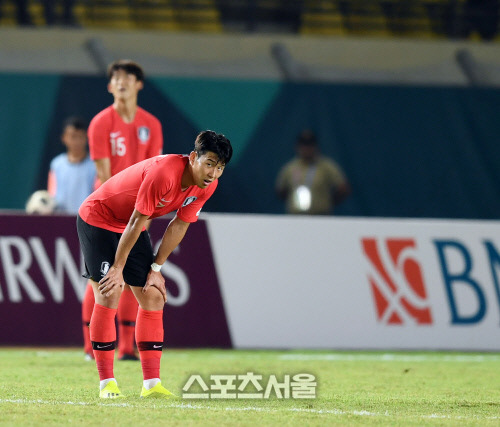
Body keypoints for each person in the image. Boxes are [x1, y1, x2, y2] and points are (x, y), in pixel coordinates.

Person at [76, 130, 232, 399]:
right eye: (209, 163)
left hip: (130, 226)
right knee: (109, 291)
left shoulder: (208, 185)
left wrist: (156, 269)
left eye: (220, 168)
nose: (213, 173)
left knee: (153, 296)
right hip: (98, 218)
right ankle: (107, 384)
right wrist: (117, 268)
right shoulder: (165, 173)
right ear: (193, 157)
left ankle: (151, 385)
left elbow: (180, 224)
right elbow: (138, 221)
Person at [82, 59, 164, 362]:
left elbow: (155, 171)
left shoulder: (151, 124)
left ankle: (127, 347)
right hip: (106, 210)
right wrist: (130, 211)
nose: (122, 82)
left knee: (132, 275)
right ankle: (92, 347)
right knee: (101, 276)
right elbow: (105, 177)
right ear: (109, 86)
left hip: (139, 210)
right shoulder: (101, 123)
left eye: (128, 77)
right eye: (116, 77)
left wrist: (145, 212)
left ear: (139, 84)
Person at [275, 129, 351, 215]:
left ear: (316, 146)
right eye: (304, 145)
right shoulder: (290, 167)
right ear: (297, 147)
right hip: (295, 217)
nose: (307, 149)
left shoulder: (326, 167)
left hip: (320, 216)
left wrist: (328, 202)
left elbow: (343, 188)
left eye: (310, 145)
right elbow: (281, 191)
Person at [47, 116, 95, 214]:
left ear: (87, 138)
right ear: (64, 138)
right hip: (60, 219)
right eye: (73, 136)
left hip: (86, 221)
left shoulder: (96, 164)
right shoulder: (56, 164)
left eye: (80, 136)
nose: (77, 141)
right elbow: (52, 194)